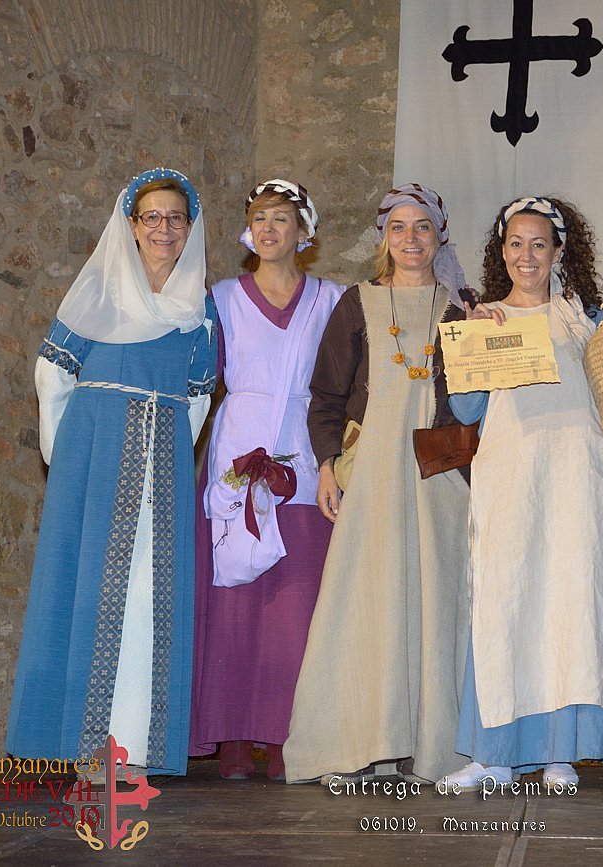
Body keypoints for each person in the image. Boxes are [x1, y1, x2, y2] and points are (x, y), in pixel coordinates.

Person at [435, 197, 603, 790]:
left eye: (539, 244)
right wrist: (473, 344)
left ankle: (562, 751)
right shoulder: (483, 319)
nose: (526, 255)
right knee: (509, 605)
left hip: (582, 485)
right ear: (502, 251)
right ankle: (495, 756)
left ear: (559, 252)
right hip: (514, 483)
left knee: (573, 610)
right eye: (516, 243)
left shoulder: (587, 320)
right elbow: (465, 409)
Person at [7, 167, 217, 777]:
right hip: (94, 455)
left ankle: (132, 744)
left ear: (190, 229)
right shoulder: (100, 289)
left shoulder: (199, 307)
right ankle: (82, 742)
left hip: (161, 460)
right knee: (91, 589)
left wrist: (167, 449)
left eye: (175, 218)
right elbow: (53, 372)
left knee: (149, 595)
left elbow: (198, 394)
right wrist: (67, 454)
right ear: (131, 225)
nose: (163, 229)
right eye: (152, 217)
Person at [283, 183, 471, 785]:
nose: (410, 239)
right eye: (398, 228)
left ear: (439, 236)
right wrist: (327, 465)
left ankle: (431, 745)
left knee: (436, 602)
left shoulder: (463, 308)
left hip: (440, 478)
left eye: (422, 227)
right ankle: (366, 740)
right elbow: (326, 396)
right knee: (368, 604)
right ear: (383, 238)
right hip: (372, 478)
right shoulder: (356, 304)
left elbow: (482, 396)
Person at [189, 180, 345, 781]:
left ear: (304, 232)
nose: (270, 228)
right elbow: (196, 375)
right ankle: (231, 736)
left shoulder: (332, 299)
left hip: (304, 460)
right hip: (237, 455)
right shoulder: (222, 298)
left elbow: (349, 379)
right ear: (248, 230)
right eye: (260, 218)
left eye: (282, 218)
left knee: (295, 601)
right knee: (234, 599)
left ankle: (285, 735)